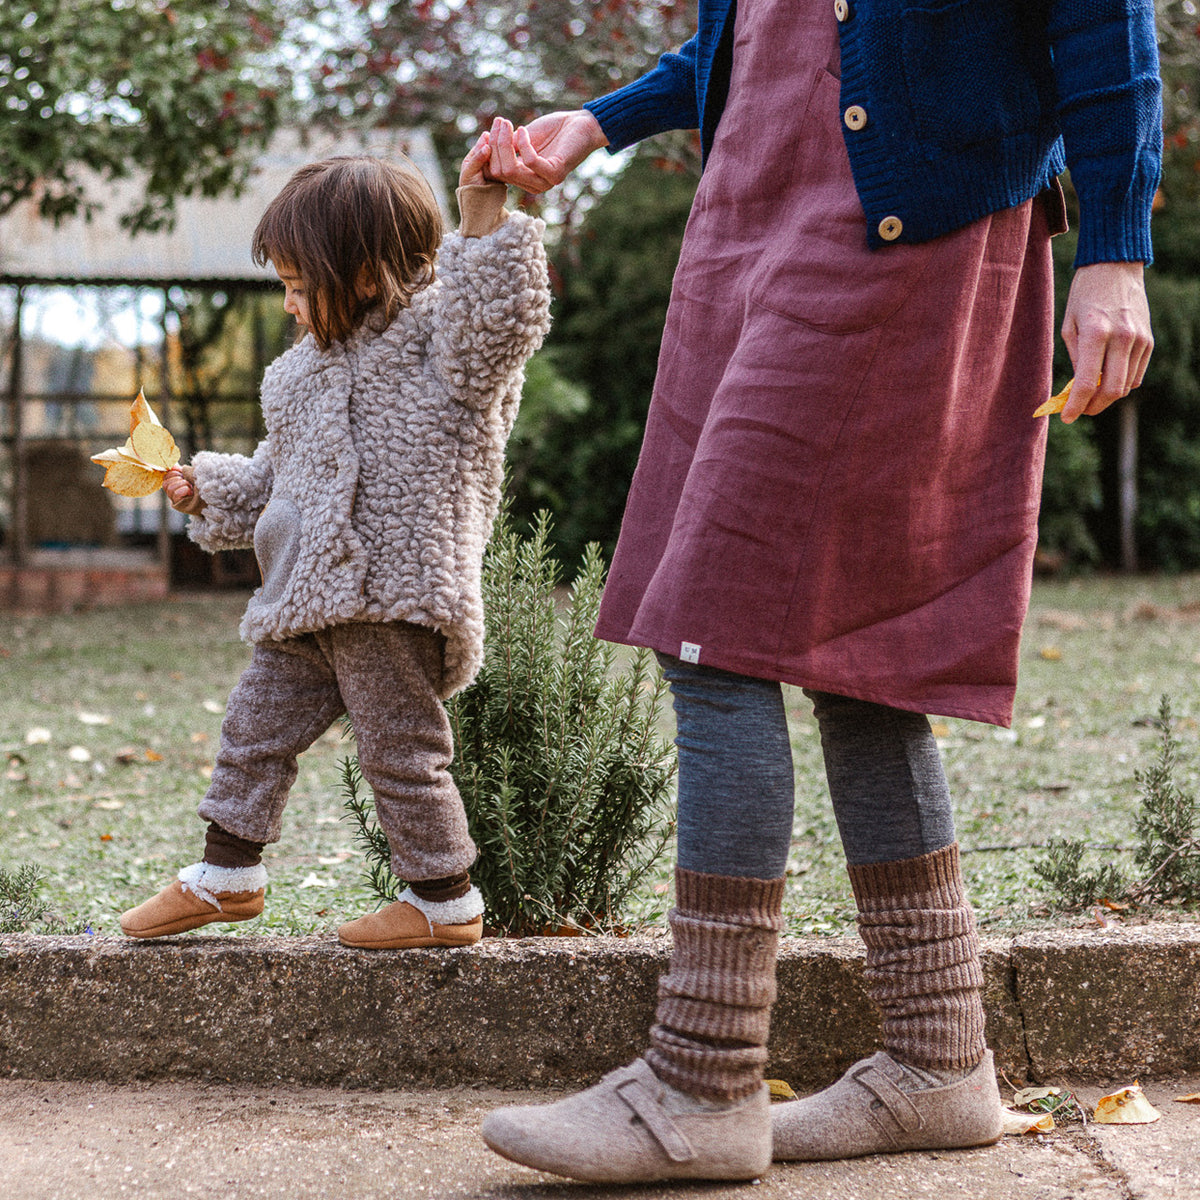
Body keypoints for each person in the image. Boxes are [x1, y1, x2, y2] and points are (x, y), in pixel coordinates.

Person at [477, 0, 1160, 1185]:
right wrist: (595, 121)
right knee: (858, 656)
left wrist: (1115, 251)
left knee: (718, 632)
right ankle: (941, 1059)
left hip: (900, 233)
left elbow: (1106, 26)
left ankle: (699, 1081)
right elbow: (754, 37)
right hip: (748, 228)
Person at [118, 142, 551, 949]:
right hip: (303, 603)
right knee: (252, 732)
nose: (286, 304)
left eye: (294, 284)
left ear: (361, 276)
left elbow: (500, 318)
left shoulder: (444, 352)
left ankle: (444, 898)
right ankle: (228, 872)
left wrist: (482, 214)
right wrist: (204, 489)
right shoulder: (296, 376)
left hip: (394, 599)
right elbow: (274, 481)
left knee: (400, 754)